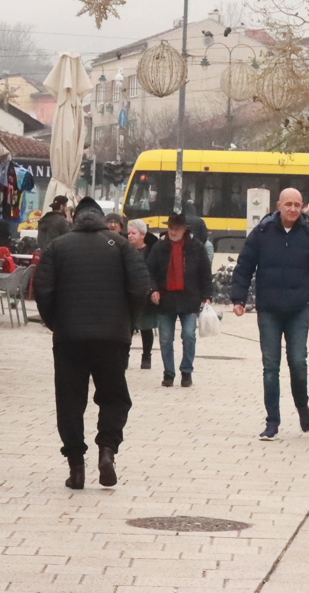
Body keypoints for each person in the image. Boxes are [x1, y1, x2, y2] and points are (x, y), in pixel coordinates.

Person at [33, 196, 150, 489]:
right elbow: (140, 288)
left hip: (69, 338)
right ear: (100, 218)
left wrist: (55, 323)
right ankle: (107, 451)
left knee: (70, 401)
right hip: (112, 338)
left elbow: (42, 291)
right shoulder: (121, 245)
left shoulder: (57, 247)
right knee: (114, 397)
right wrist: (129, 323)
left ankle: (76, 467)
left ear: (75, 218)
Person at [231, 188, 309, 440]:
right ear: (278, 205)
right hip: (269, 309)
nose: (293, 209)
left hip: (298, 308)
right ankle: (272, 420)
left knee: (298, 362)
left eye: (297, 205)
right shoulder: (262, 233)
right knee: (270, 367)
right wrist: (238, 298)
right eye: (288, 204)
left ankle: (302, 405)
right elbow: (244, 266)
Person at [148, 213, 213, 388]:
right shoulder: (159, 247)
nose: (172, 232)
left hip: (189, 298)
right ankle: (168, 372)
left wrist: (207, 296)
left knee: (189, 335)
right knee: (165, 338)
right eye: (170, 228)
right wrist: (153, 289)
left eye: (176, 229)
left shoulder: (196, 247)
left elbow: (205, 273)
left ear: (184, 230)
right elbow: (150, 272)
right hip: (166, 299)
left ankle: (186, 371)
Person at [127, 220, 158, 370]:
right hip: (128, 293)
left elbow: (155, 272)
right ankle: (124, 356)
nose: (130, 236)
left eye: (133, 233)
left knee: (146, 327)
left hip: (146, 293)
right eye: (129, 233)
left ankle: (147, 356)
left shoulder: (152, 251)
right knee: (127, 328)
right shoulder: (125, 250)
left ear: (142, 235)